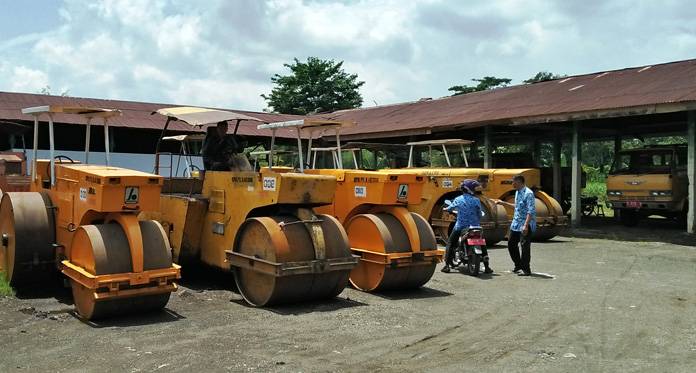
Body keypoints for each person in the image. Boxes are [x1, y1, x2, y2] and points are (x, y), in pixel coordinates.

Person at [441, 179, 493, 274]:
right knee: (482, 243)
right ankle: (487, 267)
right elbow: (479, 214)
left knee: (450, 242)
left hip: (461, 226)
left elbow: (450, 207)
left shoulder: (458, 199)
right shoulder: (476, 200)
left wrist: (446, 208)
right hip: (475, 227)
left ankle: (446, 266)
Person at [494, 173, 536, 276]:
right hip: (516, 222)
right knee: (511, 244)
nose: (512, 183)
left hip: (525, 223)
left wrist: (526, 225)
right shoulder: (517, 192)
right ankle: (518, 265)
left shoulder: (528, 193)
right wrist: (503, 203)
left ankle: (526, 269)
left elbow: (530, 211)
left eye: (513, 181)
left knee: (524, 246)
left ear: (518, 181)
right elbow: (517, 206)